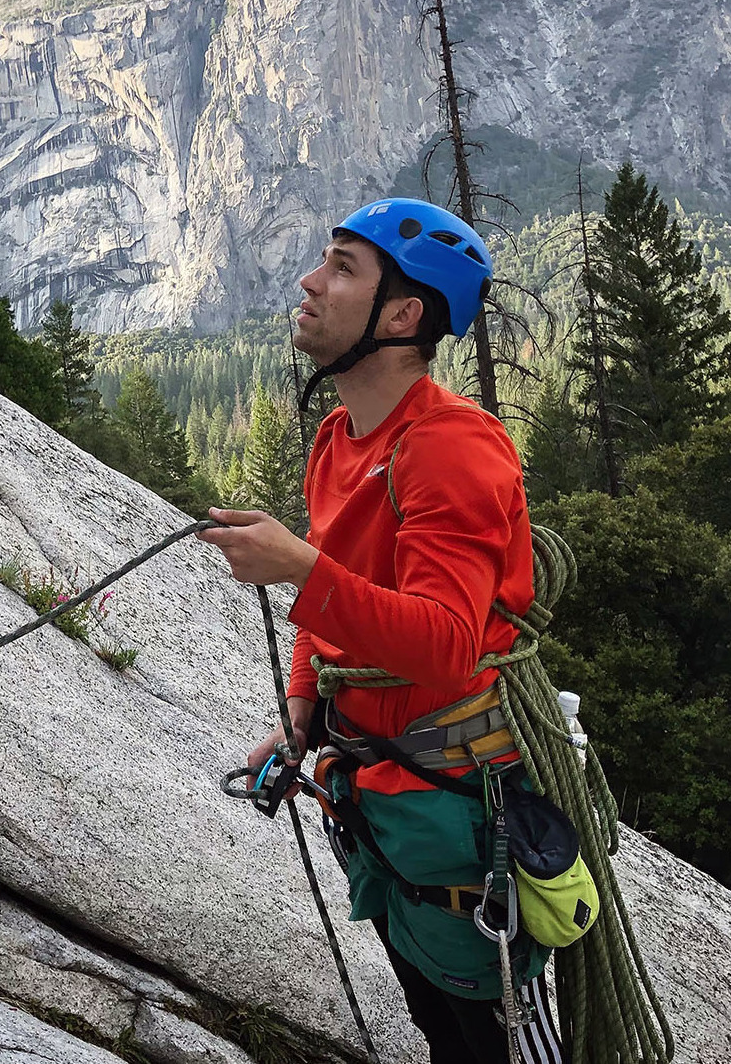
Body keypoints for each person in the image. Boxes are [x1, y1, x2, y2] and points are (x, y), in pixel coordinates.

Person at [198, 198, 563, 1064]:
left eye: (342, 268)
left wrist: (299, 568)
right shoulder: (338, 438)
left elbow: (443, 644)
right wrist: (299, 713)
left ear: (402, 315)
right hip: (381, 800)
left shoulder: (452, 446)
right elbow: (334, 609)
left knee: (490, 1035)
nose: (310, 281)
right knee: (440, 1026)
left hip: (466, 816)